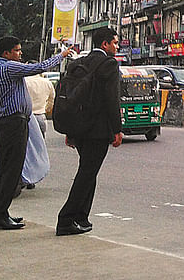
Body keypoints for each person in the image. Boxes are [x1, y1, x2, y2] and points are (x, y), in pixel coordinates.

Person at [0, 36, 73, 230]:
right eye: (17, 50)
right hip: (13, 122)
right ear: (6, 53)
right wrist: (62, 55)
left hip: (9, 122)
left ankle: (0, 212)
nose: (20, 53)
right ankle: (0, 215)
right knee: (11, 170)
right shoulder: (8, 68)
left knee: (6, 169)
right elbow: (37, 68)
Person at [56, 27, 123, 236]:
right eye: (115, 43)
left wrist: (70, 130)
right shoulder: (109, 64)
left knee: (88, 171)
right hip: (98, 130)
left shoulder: (78, 63)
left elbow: (73, 98)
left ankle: (81, 217)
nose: (117, 46)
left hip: (79, 128)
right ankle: (66, 219)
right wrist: (117, 129)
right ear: (105, 44)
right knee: (86, 174)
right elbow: (112, 99)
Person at [26, 72, 55, 139]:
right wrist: (47, 109)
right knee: (40, 142)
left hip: (26, 116)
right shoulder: (47, 82)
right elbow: (52, 99)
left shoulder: (24, 81)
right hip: (41, 115)